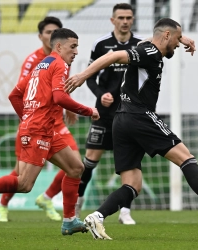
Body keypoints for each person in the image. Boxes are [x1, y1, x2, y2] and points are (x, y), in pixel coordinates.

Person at [64, 18, 198, 240]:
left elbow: (153, 40)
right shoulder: (150, 53)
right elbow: (114, 56)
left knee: (133, 185)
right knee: (186, 158)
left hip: (121, 120)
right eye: (176, 40)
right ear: (166, 36)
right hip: (138, 115)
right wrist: (82, 76)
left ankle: (97, 216)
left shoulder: (146, 46)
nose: (178, 45)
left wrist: (182, 37)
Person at [0, 28, 100, 236]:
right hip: (38, 130)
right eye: (73, 46)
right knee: (24, 183)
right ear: (58, 47)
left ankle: (69, 220)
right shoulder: (59, 65)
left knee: (76, 168)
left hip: (43, 128)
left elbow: (14, 95)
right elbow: (60, 98)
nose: (77, 51)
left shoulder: (40, 66)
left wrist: (27, 117)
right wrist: (89, 110)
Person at [0, 16, 81, 223]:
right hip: (37, 123)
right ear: (41, 36)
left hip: (56, 122)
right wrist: (28, 118)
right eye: (49, 32)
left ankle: (47, 198)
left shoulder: (64, 59)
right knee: (21, 174)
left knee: (77, 163)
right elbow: (23, 91)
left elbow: (60, 89)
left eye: (56, 31)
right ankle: (3, 204)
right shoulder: (34, 61)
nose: (52, 35)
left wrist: (68, 106)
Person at [75, 2, 142, 225]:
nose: (125, 21)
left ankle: (125, 212)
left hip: (129, 113)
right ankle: (77, 204)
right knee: (89, 162)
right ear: (112, 20)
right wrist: (101, 94)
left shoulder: (140, 45)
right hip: (103, 114)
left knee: (129, 163)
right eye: (120, 17)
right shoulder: (101, 45)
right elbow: (90, 77)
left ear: (133, 20)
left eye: (128, 18)